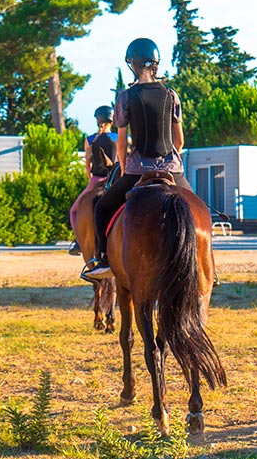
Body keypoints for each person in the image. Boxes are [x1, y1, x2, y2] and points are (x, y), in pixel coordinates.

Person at [82, 37, 192, 281]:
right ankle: (206, 266)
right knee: (197, 211)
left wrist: (123, 167)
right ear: (156, 63)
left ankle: (102, 260)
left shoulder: (125, 97)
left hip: (137, 170)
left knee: (101, 208)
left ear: (132, 64)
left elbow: (122, 143)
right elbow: (180, 141)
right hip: (172, 168)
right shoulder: (172, 95)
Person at [68, 105, 119, 254]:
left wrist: (91, 179)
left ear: (98, 120)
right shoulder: (118, 138)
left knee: (74, 211)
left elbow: (87, 166)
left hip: (96, 180)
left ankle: (78, 241)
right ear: (112, 119)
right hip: (114, 180)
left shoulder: (90, 140)